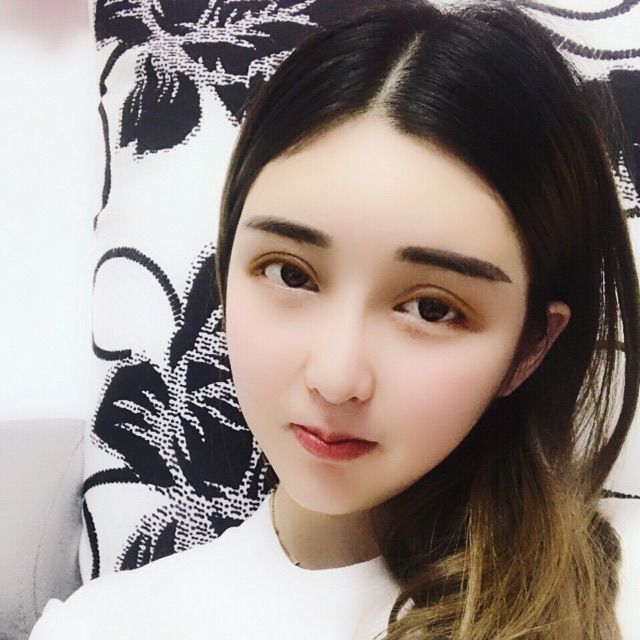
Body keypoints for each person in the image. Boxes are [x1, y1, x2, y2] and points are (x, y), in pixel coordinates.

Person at [29, 0, 639, 638]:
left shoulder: (619, 593)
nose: (336, 377)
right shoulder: (101, 625)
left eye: (432, 309)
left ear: (529, 348)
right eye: (291, 274)